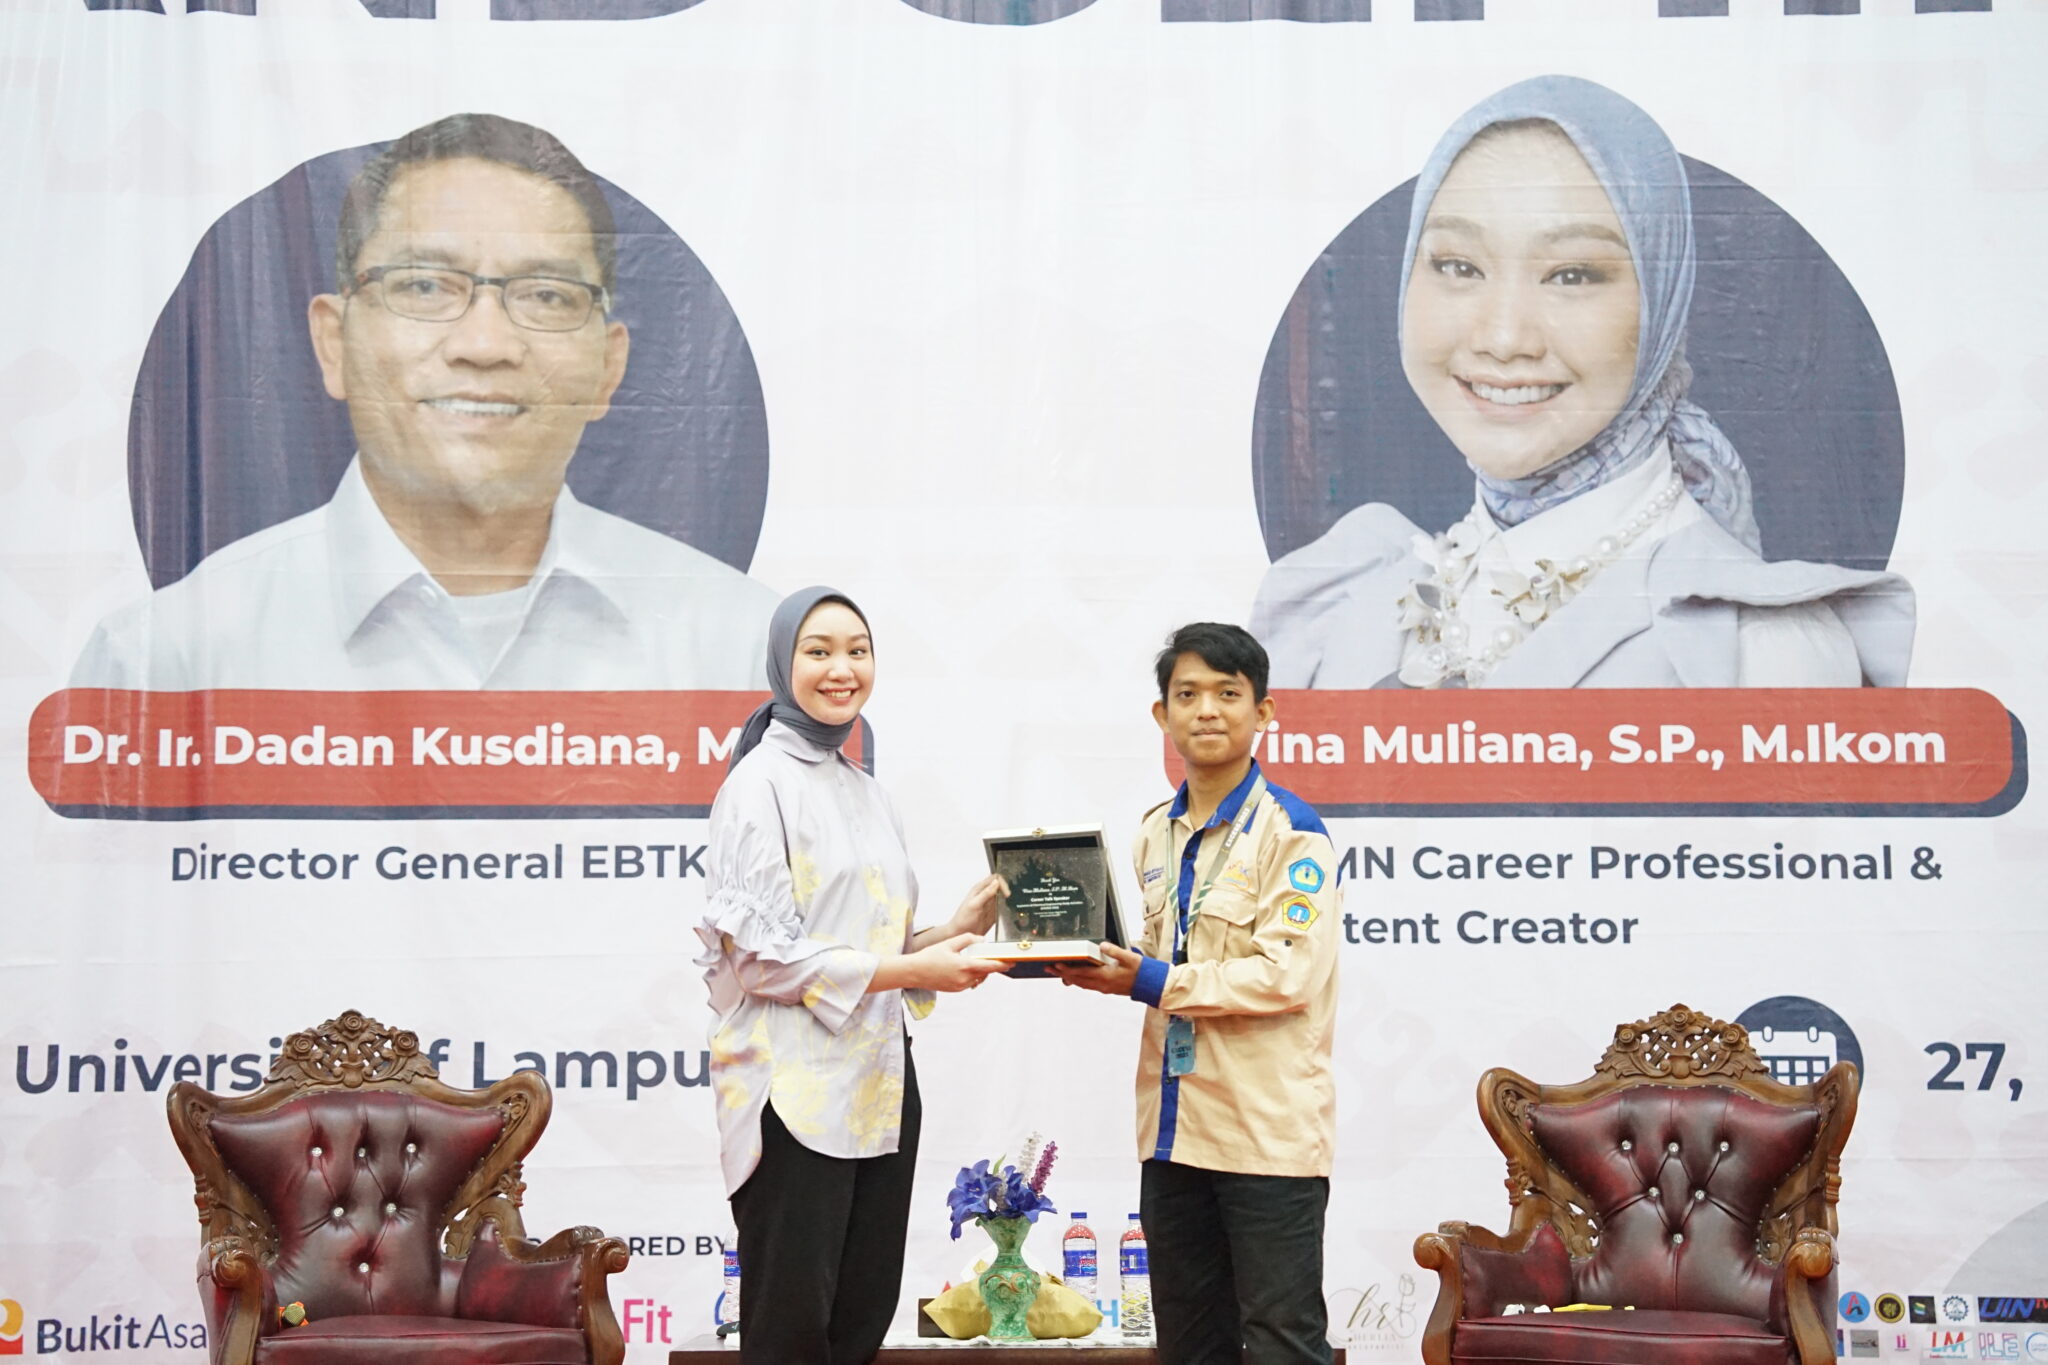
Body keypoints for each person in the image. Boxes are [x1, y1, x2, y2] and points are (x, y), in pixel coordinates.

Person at [1251, 76, 1914, 690]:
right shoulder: (1346, 596)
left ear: (1662, 303)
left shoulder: (1757, 645)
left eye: (1572, 275)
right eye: (1458, 265)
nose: (1503, 338)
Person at [72, 112, 774, 690]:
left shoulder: (741, 651)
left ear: (608, 367)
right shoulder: (167, 660)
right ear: (334, 342)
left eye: (546, 295)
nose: (485, 344)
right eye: (424, 286)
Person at [698, 586, 1010, 1365]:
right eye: (819, 651)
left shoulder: (870, 792)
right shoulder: (758, 784)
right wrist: (915, 963)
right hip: (793, 1092)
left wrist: (956, 931)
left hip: (880, 1084)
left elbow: (878, 947)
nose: (842, 669)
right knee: (791, 1329)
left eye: (857, 651)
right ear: (783, 663)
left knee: (860, 1318)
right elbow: (762, 959)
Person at [1055, 622, 1339, 1365]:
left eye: (1227, 693)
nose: (1207, 710)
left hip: (1265, 1135)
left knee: (1281, 1342)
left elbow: (1286, 976)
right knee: (1187, 1343)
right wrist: (1079, 955)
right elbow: (1157, 957)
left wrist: (1147, 980)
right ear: (1163, 714)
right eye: (1187, 695)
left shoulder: (1292, 833)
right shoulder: (1154, 833)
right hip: (1173, 1134)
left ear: (1263, 711)